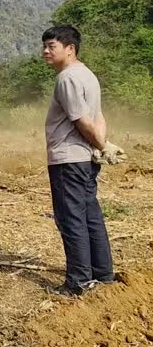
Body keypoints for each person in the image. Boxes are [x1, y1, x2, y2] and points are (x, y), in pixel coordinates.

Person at [42, 25, 126, 296]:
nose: (45, 51)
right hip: (86, 160)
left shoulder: (67, 78)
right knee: (90, 216)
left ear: (70, 49)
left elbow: (81, 120)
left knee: (71, 219)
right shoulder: (88, 75)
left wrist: (103, 145)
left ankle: (79, 281)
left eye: (51, 46)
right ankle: (103, 274)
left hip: (69, 159)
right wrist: (102, 146)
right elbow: (98, 116)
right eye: (44, 46)